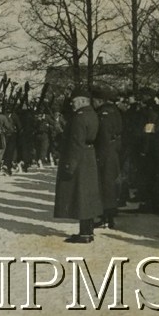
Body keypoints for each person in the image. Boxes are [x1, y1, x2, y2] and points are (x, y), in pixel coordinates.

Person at [54, 88, 102, 243]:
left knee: (80, 196)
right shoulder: (92, 114)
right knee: (87, 196)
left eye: (74, 101)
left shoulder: (79, 118)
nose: (71, 103)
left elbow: (75, 144)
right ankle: (88, 230)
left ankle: (84, 234)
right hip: (88, 157)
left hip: (79, 159)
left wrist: (70, 165)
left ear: (82, 101)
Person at [92, 87, 122, 228]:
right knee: (110, 184)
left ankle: (106, 217)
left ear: (99, 100)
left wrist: (99, 155)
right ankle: (110, 216)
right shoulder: (115, 111)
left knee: (105, 185)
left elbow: (103, 136)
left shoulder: (103, 113)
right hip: (113, 152)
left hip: (104, 153)